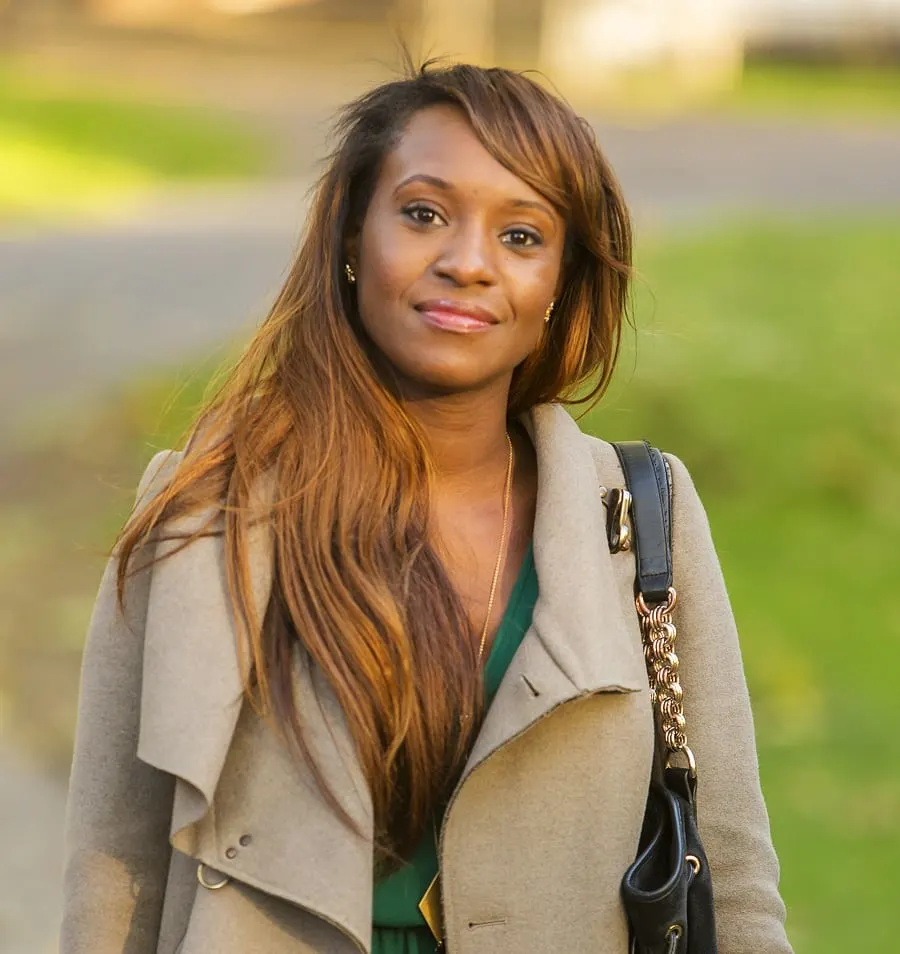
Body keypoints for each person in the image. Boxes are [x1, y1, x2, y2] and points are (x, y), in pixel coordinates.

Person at [60, 62, 792, 954]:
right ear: (351, 237)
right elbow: (115, 862)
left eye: (522, 235)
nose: (468, 263)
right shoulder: (205, 510)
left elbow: (733, 873)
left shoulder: (641, 515)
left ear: (563, 278)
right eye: (423, 214)